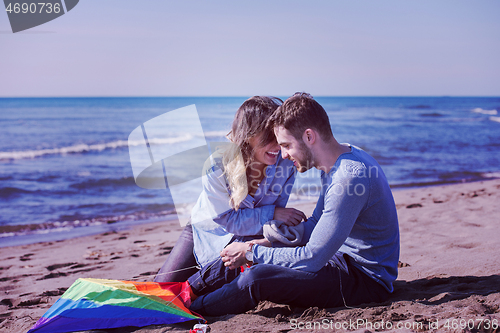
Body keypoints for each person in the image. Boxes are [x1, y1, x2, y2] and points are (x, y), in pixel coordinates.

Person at [188, 93, 400, 316]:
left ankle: (190, 310)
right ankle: (186, 291)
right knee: (255, 246)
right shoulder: (338, 160)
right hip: (339, 258)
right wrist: (264, 242)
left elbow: (312, 258)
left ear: (309, 136)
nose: (284, 155)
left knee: (256, 278)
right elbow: (316, 224)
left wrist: (252, 252)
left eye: (287, 145)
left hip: (364, 280)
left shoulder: (348, 178)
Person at [154, 96, 306, 282]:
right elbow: (230, 220)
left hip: (250, 236)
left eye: (278, 135)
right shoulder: (217, 166)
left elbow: (276, 218)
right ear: (248, 135)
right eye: (269, 137)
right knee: (163, 285)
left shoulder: (287, 164)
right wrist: (272, 213)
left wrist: (272, 221)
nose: (277, 145)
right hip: (206, 230)